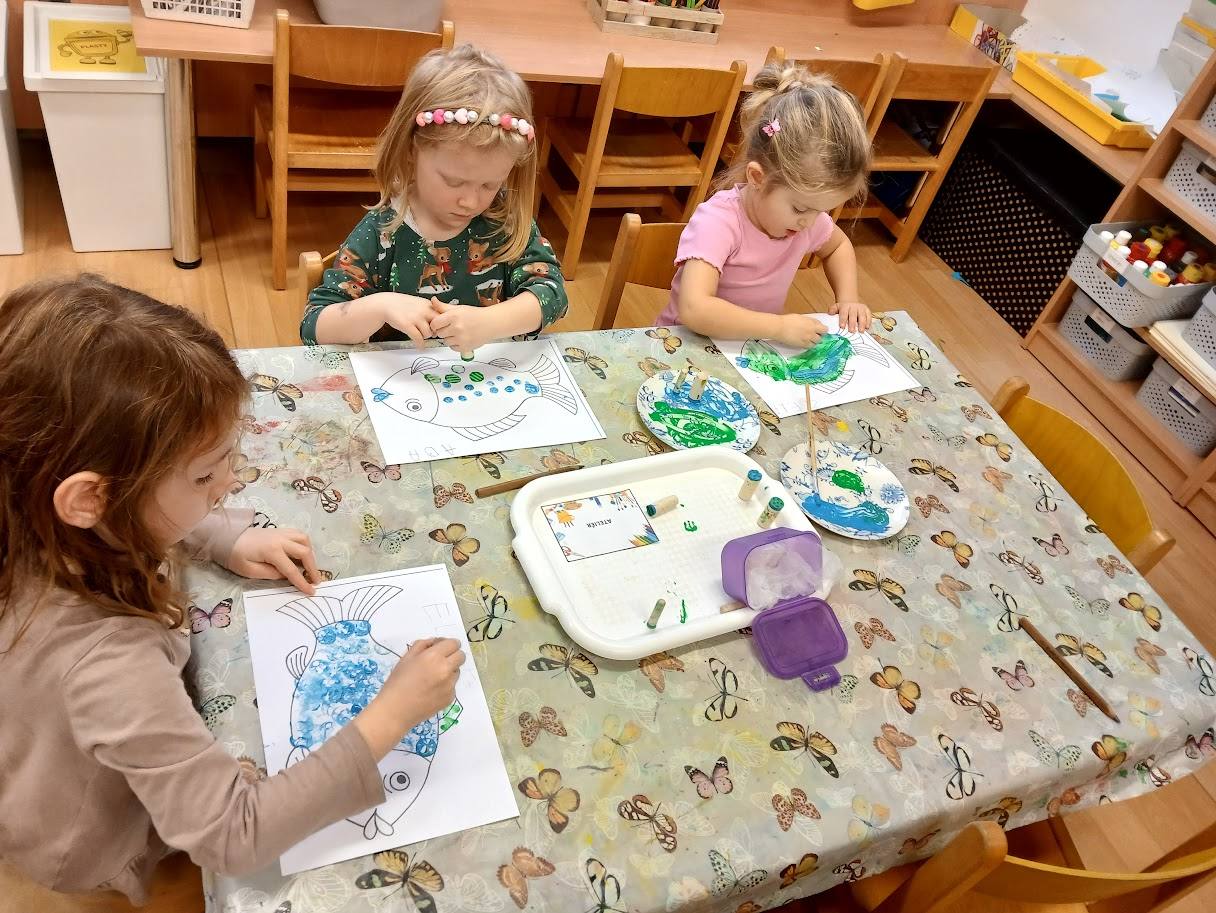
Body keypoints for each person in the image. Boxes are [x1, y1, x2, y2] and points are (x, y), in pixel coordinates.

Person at [0, 275, 464, 907]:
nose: (230, 482)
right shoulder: (108, 662)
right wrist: (393, 716)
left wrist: (221, 535)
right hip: (90, 831)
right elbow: (232, 834)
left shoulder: (31, 503)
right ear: (90, 497)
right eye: (203, 476)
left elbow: (130, 508)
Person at [303, 45, 566, 352]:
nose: (471, 202)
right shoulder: (381, 232)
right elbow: (314, 327)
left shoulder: (504, 220)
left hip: (492, 372)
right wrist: (380, 306)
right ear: (410, 151)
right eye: (453, 181)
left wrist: (491, 322)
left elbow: (553, 294)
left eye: (490, 184)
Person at [660, 61, 874, 345]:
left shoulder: (804, 220)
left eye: (822, 210)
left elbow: (837, 246)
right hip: (687, 346)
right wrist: (778, 328)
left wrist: (848, 298)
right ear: (757, 178)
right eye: (800, 208)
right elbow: (694, 310)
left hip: (749, 346)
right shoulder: (719, 222)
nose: (810, 222)